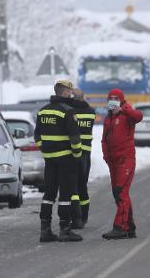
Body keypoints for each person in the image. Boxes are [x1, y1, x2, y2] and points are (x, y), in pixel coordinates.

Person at [35, 80, 83, 242]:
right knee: (65, 194)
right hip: (66, 160)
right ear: (63, 93)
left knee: (49, 194)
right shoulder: (68, 111)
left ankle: (45, 230)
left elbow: (37, 137)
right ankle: (65, 230)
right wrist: (77, 155)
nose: (71, 94)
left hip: (50, 161)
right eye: (69, 91)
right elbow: (75, 138)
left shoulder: (43, 112)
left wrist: (46, 151)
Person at [101, 88, 143, 239]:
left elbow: (139, 116)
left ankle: (120, 227)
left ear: (121, 100)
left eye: (115, 98)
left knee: (121, 192)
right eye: (110, 98)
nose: (112, 100)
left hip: (125, 160)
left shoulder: (127, 113)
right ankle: (129, 226)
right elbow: (104, 139)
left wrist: (123, 110)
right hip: (113, 162)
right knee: (118, 193)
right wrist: (106, 156)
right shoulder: (108, 118)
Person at [70, 88, 96, 227]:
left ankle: (76, 218)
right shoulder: (91, 111)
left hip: (72, 153)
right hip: (86, 154)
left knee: (72, 187)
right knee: (82, 186)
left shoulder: (69, 112)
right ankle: (84, 217)